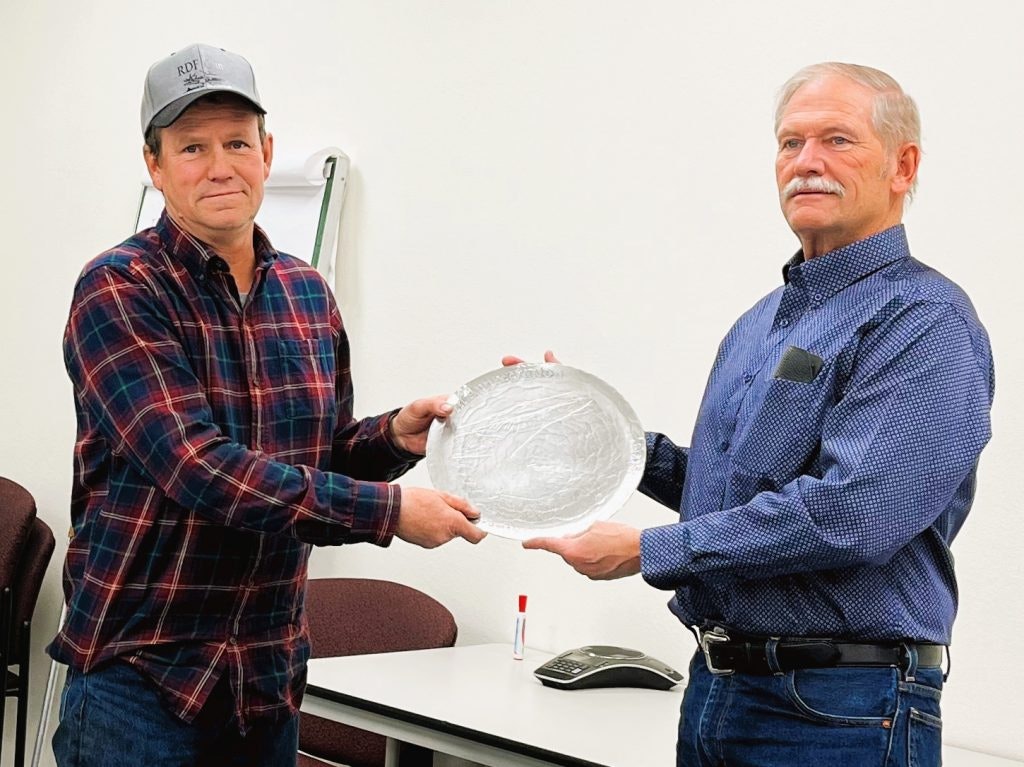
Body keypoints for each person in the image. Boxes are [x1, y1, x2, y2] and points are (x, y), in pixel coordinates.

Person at [519, 62, 994, 766]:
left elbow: (849, 514)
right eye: (789, 143)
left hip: (838, 708)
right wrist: (604, 435)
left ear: (904, 166)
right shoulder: (760, 324)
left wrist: (649, 551)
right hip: (717, 689)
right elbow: (733, 496)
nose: (807, 163)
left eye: (838, 140)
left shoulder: (923, 320)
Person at [50, 43, 485, 767]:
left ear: (266, 150)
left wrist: (393, 438)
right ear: (154, 166)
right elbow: (201, 471)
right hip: (144, 680)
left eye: (236, 142)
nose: (219, 165)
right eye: (192, 146)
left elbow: (318, 459)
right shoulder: (120, 290)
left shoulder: (306, 291)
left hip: (265, 677)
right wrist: (393, 513)